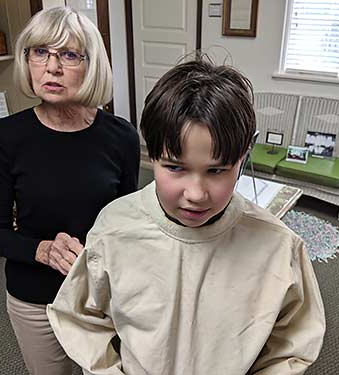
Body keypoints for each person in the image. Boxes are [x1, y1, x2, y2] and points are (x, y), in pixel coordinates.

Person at [47, 59, 325, 374]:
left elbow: (294, 344)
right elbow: (80, 317)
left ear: (243, 156)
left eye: (217, 170)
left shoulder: (278, 246)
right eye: (176, 167)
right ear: (151, 154)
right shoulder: (115, 228)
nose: (195, 193)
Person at [0, 7, 140, 375]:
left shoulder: (121, 137)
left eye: (68, 54)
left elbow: (126, 225)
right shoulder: (5, 137)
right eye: (39, 52)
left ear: (92, 65)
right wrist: (43, 250)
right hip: (35, 299)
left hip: (99, 295)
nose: (51, 67)